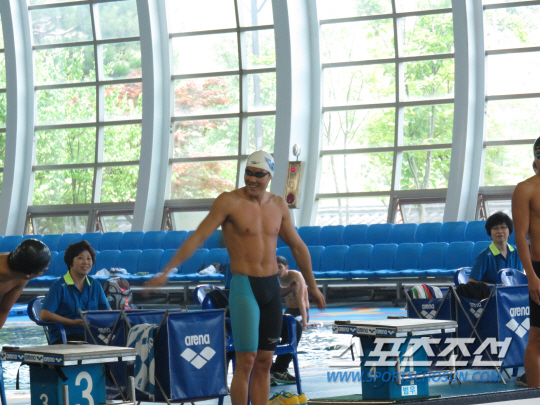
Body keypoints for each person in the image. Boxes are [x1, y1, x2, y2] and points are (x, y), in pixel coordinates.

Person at [145, 150, 326, 405]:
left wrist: (313, 286)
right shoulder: (229, 202)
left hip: (271, 288)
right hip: (244, 287)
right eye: (248, 172)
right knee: (246, 361)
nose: (252, 179)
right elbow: (198, 237)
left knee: (265, 361)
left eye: (259, 174)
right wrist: (166, 272)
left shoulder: (278, 205)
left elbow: (297, 246)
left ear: (270, 176)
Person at [41, 241, 110, 344]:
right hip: (64, 335)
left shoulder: (95, 285)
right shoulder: (59, 286)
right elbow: (45, 314)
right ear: (70, 262)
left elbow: (108, 312)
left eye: (89, 259)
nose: (85, 262)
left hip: (91, 334)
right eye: (80, 258)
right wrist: (72, 322)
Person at [512, 136, 540, 388]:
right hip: (539, 268)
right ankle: (534, 395)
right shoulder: (526, 189)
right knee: (538, 337)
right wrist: (531, 275)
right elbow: (520, 236)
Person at [270, 255, 309, 385]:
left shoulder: (296, 276)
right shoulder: (273, 277)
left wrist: (305, 323)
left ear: (286, 267)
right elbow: (278, 293)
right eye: (275, 267)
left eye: (280, 267)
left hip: (300, 311)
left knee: (295, 327)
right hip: (289, 310)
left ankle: (279, 369)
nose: (277, 270)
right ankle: (270, 370)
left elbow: (301, 301)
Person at [0, 239, 51, 329]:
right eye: (45, 269)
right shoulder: (22, 274)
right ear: (28, 275)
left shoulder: (21, 276)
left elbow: (3, 310)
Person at [468, 211, 523, 285]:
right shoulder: (484, 256)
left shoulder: (517, 253)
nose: (500, 231)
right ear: (490, 233)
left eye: (503, 227)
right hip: (492, 292)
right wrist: (496, 286)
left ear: (509, 231)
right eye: (495, 228)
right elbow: (471, 281)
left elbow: (520, 279)